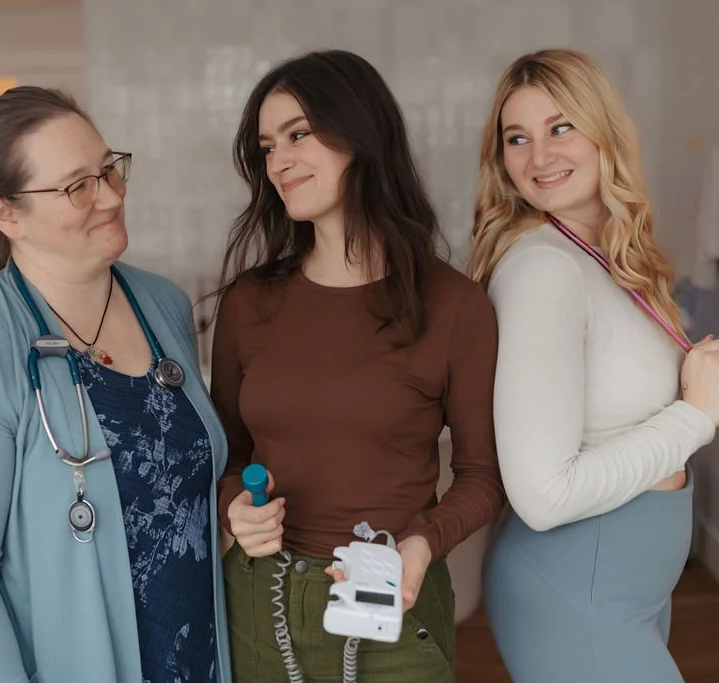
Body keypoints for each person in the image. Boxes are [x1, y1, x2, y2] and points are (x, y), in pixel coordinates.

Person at [0, 86, 232, 683]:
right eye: (78, 185)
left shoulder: (163, 304)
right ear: (5, 214)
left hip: (194, 655)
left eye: (110, 169)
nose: (111, 196)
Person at [209, 49, 506, 683]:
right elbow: (228, 458)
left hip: (393, 602)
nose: (279, 162)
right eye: (266, 147)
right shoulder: (248, 303)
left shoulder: (455, 306)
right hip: (260, 603)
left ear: (361, 135)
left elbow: (483, 475)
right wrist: (235, 507)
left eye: (298, 135)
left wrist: (422, 545)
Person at [469, 48, 719, 682]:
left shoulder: (612, 258)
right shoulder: (544, 269)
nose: (539, 157)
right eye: (517, 138)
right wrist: (694, 416)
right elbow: (543, 497)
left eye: (561, 126)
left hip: (624, 589)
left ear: (606, 131)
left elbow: (621, 415)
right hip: (577, 589)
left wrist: (711, 405)